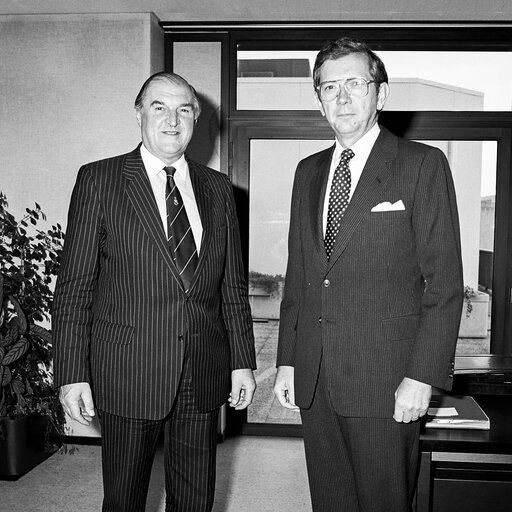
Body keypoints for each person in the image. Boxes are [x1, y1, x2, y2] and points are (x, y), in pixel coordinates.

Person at [273, 37, 463, 512]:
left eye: (354, 83)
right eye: (329, 87)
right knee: (330, 502)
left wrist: (422, 375)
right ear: (318, 100)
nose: (341, 97)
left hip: (387, 381)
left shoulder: (422, 165)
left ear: (381, 94)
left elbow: (444, 285)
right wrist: (289, 361)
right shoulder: (307, 172)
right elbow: (301, 278)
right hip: (316, 378)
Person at [52, 72, 257, 512]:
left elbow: (231, 287)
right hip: (129, 370)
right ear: (139, 114)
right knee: (124, 499)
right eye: (159, 107)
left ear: (197, 119)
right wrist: (71, 372)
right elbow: (74, 287)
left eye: (184, 109)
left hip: (201, 370)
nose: (171, 119)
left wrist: (242, 362)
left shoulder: (219, 189)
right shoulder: (99, 181)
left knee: (195, 500)